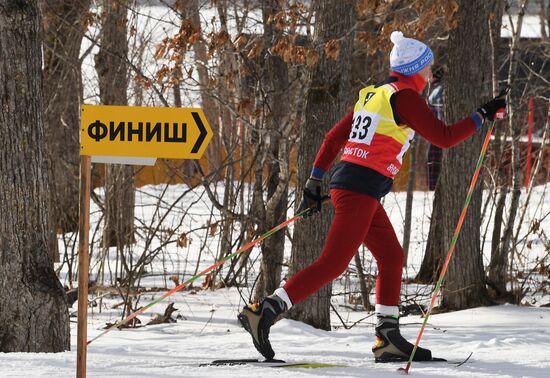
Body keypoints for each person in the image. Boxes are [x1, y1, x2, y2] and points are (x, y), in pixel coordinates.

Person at [238, 31, 506, 363]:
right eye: (428, 68)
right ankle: (265, 310)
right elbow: (445, 137)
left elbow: (334, 138)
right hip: (359, 188)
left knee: (391, 257)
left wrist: (314, 182)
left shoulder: (376, 94)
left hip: (356, 186)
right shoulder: (405, 97)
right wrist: (482, 115)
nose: (430, 74)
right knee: (333, 263)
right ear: (414, 69)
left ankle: (388, 336)